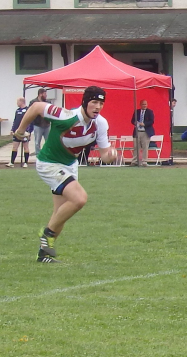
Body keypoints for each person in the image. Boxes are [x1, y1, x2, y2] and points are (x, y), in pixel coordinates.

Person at [13, 86, 116, 263]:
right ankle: (47, 233)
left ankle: (43, 254)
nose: (98, 107)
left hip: (70, 165)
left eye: (101, 103)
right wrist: (20, 131)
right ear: (85, 102)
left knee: (60, 214)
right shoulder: (66, 116)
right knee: (79, 198)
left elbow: (104, 155)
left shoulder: (100, 123)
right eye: (94, 102)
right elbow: (36, 107)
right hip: (49, 163)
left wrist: (111, 156)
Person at [7, 97, 33, 168]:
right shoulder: (17, 110)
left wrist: (29, 131)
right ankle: (12, 162)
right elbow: (15, 121)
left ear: (21, 102)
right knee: (15, 146)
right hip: (17, 132)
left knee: (25, 146)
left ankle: (26, 163)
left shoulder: (28, 110)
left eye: (17, 102)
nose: (17, 103)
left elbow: (31, 121)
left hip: (25, 132)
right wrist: (12, 130)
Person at [130, 99, 154, 166]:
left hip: (145, 132)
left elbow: (152, 121)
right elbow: (132, 120)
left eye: (145, 104)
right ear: (140, 105)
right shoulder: (137, 112)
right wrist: (135, 122)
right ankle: (135, 161)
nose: (144, 106)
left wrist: (144, 124)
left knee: (145, 147)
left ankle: (144, 161)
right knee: (136, 147)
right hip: (137, 131)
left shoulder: (150, 112)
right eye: (143, 104)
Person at [29, 88, 50, 155]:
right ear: (40, 94)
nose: (46, 95)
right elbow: (30, 112)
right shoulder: (33, 102)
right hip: (38, 125)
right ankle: (38, 154)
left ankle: (47, 153)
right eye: (45, 94)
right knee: (37, 142)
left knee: (48, 141)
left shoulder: (48, 102)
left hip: (47, 124)